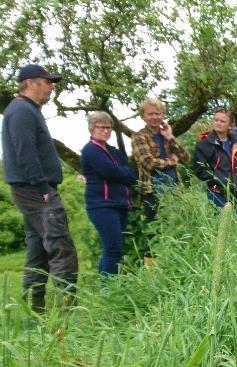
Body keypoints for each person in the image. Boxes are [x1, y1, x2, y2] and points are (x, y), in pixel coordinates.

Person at [1, 64, 79, 312]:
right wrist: (42, 185)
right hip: (35, 189)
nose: (52, 86)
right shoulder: (22, 110)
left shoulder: (26, 110)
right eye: (47, 82)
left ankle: (34, 312)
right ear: (31, 83)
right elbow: (26, 151)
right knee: (60, 245)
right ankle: (67, 312)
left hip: (30, 188)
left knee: (39, 250)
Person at [131, 97, 190, 262]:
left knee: (177, 230)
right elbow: (148, 162)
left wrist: (170, 137)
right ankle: (153, 273)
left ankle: (175, 264)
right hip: (152, 192)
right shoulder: (139, 136)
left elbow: (186, 158)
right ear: (143, 116)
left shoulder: (166, 135)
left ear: (163, 114)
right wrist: (171, 161)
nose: (155, 117)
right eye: (150, 114)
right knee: (155, 233)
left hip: (175, 191)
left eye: (158, 113)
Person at [80, 111, 136, 275]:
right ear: (92, 129)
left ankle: (107, 287)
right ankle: (108, 289)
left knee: (114, 248)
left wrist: (121, 173)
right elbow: (109, 171)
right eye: (101, 127)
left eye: (108, 128)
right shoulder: (91, 150)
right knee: (113, 248)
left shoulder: (113, 151)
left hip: (120, 204)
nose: (106, 131)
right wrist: (121, 173)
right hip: (102, 205)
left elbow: (131, 174)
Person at [193, 108, 235, 208]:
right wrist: (217, 180)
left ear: (230, 125)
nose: (218, 123)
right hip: (217, 193)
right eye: (216, 120)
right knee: (223, 222)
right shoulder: (203, 144)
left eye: (222, 121)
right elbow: (199, 170)